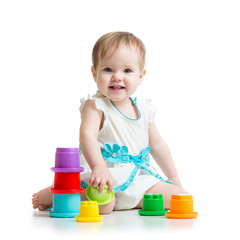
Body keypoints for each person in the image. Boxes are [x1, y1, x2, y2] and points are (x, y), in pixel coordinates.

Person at [32, 31, 187, 214]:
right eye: (108, 70)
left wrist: (173, 177)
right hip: (104, 173)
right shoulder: (97, 106)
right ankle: (59, 194)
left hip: (136, 176)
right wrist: (99, 167)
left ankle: (128, 200)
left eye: (127, 70)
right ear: (94, 73)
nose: (117, 77)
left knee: (178, 195)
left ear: (140, 76)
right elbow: (87, 136)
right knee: (105, 205)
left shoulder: (144, 109)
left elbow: (158, 145)